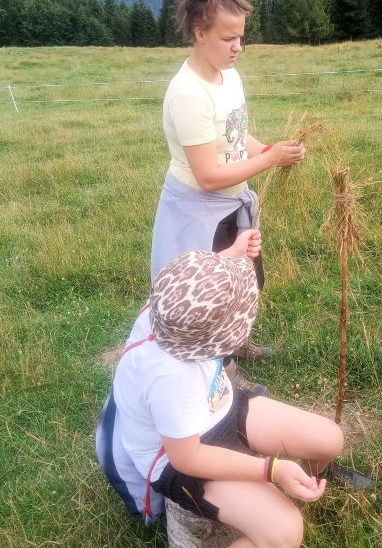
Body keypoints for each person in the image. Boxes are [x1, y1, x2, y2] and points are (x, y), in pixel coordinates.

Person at [96, 230, 361, 547]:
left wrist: (232, 253)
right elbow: (188, 459)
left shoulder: (166, 307)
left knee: (329, 438)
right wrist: (271, 469)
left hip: (219, 407)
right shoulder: (170, 379)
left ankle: (304, 485)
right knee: (285, 532)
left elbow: (194, 285)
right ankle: (272, 503)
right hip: (179, 457)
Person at [150, 0, 305, 388]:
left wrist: (269, 149)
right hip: (201, 210)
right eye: (228, 38)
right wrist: (269, 159)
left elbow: (236, 137)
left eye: (241, 36)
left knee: (246, 276)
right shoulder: (187, 94)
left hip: (233, 201)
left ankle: (236, 342)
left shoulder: (228, 75)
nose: (239, 47)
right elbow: (208, 176)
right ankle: (223, 373)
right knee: (211, 293)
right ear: (200, 34)